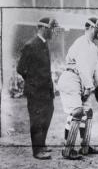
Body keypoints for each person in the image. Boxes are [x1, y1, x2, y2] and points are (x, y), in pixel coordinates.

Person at [58, 17, 98, 160]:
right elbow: (82, 67)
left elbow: (95, 68)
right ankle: (68, 150)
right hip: (71, 78)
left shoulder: (93, 47)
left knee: (88, 112)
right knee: (77, 112)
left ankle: (85, 147)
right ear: (92, 28)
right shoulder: (81, 43)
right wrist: (89, 86)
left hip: (82, 81)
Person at [17, 17, 59, 160]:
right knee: (37, 119)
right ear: (43, 28)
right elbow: (21, 68)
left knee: (47, 115)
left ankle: (42, 144)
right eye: (51, 29)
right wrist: (34, 83)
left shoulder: (44, 44)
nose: (53, 32)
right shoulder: (31, 45)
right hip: (35, 91)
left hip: (46, 91)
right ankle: (37, 151)